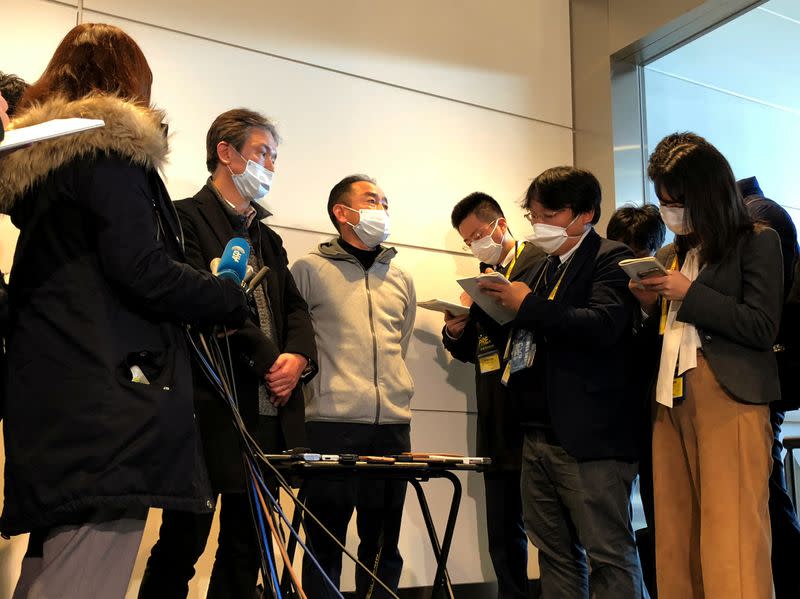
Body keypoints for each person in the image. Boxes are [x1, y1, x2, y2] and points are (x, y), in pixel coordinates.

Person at [0, 23, 248, 598]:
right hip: (110, 410)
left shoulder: (44, 174)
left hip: (59, 404)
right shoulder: (109, 154)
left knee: (51, 569)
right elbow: (141, 269)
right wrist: (224, 297)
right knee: (84, 577)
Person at [139, 109, 318, 598]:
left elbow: (296, 311)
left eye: (275, 158)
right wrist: (266, 357)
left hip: (266, 411)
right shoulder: (181, 220)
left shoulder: (268, 236)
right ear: (226, 152)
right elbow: (198, 299)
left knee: (249, 546)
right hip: (207, 409)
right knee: (183, 542)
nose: (270, 167)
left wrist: (296, 359)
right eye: (263, 153)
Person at [479, 167, 647, 599]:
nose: (540, 225)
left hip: (591, 438)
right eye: (534, 214)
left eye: (550, 214)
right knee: (553, 554)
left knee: (607, 553)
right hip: (535, 433)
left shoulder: (611, 257)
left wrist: (527, 303)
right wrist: (476, 319)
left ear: (586, 213)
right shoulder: (539, 263)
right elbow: (523, 331)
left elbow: (602, 325)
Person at [631, 134, 781, 599]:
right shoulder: (669, 254)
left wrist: (689, 295)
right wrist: (643, 307)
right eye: (663, 202)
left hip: (728, 396)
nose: (670, 212)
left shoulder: (757, 241)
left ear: (707, 193)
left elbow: (761, 326)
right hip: (668, 398)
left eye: (677, 201)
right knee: (676, 535)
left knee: (731, 535)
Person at [291, 175, 416, 598]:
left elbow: (402, 340)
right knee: (325, 541)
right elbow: (298, 340)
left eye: (384, 201)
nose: (381, 208)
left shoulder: (400, 278)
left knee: (383, 544)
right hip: (330, 424)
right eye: (370, 200)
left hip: (391, 428)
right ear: (342, 213)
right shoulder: (308, 269)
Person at [442, 192, 544, 599]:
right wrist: (456, 329)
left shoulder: (537, 263)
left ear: (500, 224)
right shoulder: (484, 274)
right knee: (502, 533)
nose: (475, 245)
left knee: (551, 529)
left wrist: (489, 305)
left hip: (534, 417)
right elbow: (476, 350)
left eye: (478, 234)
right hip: (495, 418)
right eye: (467, 241)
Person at [738, 175, 800, 599]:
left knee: (766, 486)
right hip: (766, 369)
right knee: (766, 483)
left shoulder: (758, 215)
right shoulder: (758, 211)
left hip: (768, 369)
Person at [606, 203, 667, 598]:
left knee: (662, 516)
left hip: (656, 419)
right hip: (609, 422)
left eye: (634, 252)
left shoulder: (668, 287)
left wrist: (647, 307)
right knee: (610, 527)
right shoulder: (603, 287)